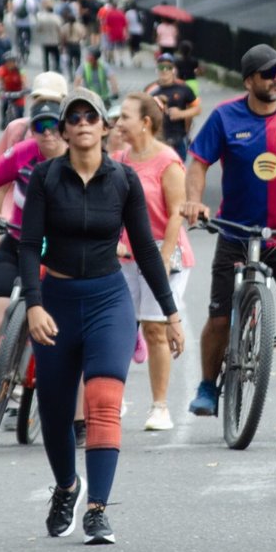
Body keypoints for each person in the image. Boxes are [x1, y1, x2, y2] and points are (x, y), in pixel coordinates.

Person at [21, 87, 184, 544]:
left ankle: (97, 509)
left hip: (109, 300)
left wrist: (170, 313)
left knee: (104, 400)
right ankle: (67, 487)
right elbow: (29, 246)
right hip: (56, 302)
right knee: (55, 411)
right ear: (64, 130)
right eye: (73, 118)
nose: (83, 124)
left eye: (90, 116)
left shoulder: (123, 180)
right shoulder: (45, 177)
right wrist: (33, 304)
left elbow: (145, 248)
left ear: (104, 125)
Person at [181, 44, 276, 414]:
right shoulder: (224, 116)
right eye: (268, 73)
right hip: (236, 233)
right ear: (249, 81)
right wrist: (194, 202)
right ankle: (207, 386)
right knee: (219, 317)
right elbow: (198, 163)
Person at [0, 98, 68, 408]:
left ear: (66, 129)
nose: (48, 133)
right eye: (40, 126)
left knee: (58, 326)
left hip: (59, 253)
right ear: (32, 131)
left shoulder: (79, 159)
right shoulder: (24, 153)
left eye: (55, 125)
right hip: (17, 243)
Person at [113, 93, 192, 431]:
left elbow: (176, 213)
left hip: (163, 250)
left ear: (145, 122)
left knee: (154, 328)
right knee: (118, 326)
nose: (118, 123)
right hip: (126, 253)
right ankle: (112, 398)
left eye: (125, 117)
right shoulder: (118, 160)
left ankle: (160, 407)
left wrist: (163, 257)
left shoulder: (168, 161)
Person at [147, 53, 199, 161]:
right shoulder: (150, 89)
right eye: (161, 67)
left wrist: (181, 114)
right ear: (157, 69)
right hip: (157, 140)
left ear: (173, 70)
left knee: (178, 168)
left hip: (178, 138)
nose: (165, 70)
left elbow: (197, 109)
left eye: (168, 67)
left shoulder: (183, 87)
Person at [0, 51, 26, 128]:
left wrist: (25, 89)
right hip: (6, 92)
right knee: (4, 104)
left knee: (20, 111)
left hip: (18, 93)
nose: (11, 64)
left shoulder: (20, 70)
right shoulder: (2, 70)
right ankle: (3, 120)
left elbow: (24, 81)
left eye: (13, 61)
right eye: (8, 62)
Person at [34, 3, 64, 74]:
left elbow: (39, 29)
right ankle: (57, 67)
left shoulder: (42, 18)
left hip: (45, 40)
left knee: (46, 56)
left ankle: (46, 70)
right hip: (55, 40)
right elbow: (60, 29)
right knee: (56, 55)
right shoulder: (57, 18)